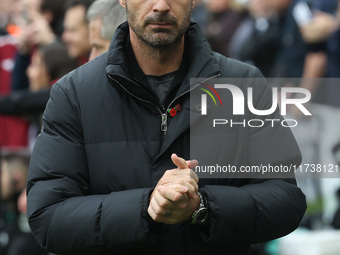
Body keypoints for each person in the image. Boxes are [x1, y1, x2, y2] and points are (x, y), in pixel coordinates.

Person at [27, 1, 306, 255]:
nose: (160, 5)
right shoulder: (74, 92)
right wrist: (146, 206)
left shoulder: (242, 82)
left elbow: (286, 200)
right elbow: (48, 217)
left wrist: (202, 206)